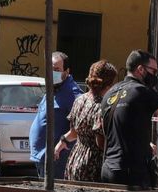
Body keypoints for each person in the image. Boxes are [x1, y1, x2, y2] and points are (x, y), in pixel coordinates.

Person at [100, 51, 158, 188]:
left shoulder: (110, 93)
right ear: (140, 69)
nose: (155, 75)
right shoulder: (142, 91)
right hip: (132, 172)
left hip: (108, 169)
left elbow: (108, 131)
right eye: (153, 71)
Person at [56, 60, 119, 182]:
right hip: (94, 164)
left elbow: (74, 132)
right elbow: (100, 142)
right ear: (109, 84)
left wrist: (62, 141)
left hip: (76, 159)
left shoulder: (80, 100)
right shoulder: (104, 105)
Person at [29, 51, 80, 180]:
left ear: (67, 72)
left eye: (57, 70)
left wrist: (62, 142)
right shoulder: (53, 88)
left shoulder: (72, 93)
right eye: (50, 69)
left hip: (57, 159)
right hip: (42, 156)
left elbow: (81, 123)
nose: (52, 73)